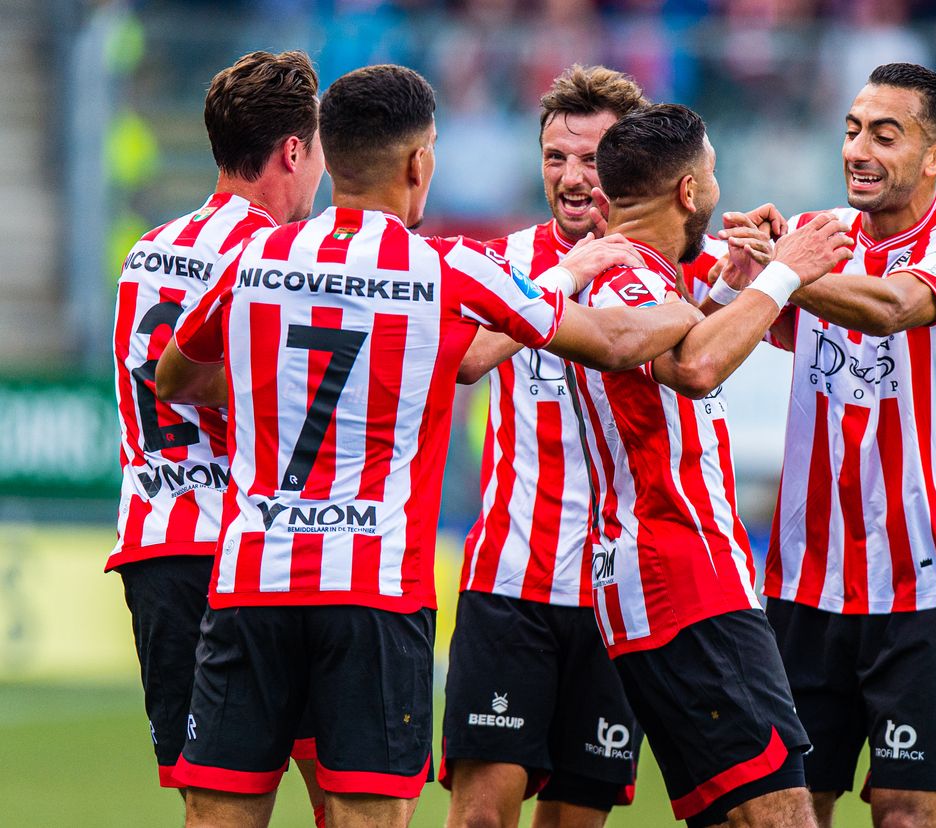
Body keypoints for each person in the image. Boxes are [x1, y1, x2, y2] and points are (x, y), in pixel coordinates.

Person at [155, 64, 702, 828]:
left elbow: (176, 376)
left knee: (218, 815)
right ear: (419, 164)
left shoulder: (256, 260)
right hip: (374, 586)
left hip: (252, 577)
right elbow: (612, 342)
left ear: (327, 153)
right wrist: (707, 296)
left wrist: (270, 387)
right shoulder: (445, 268)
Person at [720, 63, 936, 828]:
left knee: (907, 812)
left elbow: (893, 306)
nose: (858, 149)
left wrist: (782, 273)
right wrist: (736, 278)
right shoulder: (818, 239)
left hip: (925, 584)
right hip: (806, 582)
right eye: (851, 130)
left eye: (885, 133)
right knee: (787, 808)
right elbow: (745, 331)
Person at [574, 103, 853, 828]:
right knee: (783, 815)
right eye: (713, 172)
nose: (720, 190)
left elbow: (679, 354)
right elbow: (694, 367)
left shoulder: (631, 279)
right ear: (688, 194)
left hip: (660, 582)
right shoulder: (625, 277)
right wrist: (784, 275)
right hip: (685, 579)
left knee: (734, 816)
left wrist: (730, 287)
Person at [107, 49, 327, 823]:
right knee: (346, 793)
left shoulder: (144, 252)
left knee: (215, 808)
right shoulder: (278, 259)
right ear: (292, 151)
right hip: (252, 548)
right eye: (319, 149)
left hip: (157, 551)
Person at [441, 65, 651, 828]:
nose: (569, 176)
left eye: (590, 159)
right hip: (510, 581)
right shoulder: (502, 262)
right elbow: (466, 361)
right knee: (480, 819)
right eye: (556, 156)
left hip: (612, 594)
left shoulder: (665, 273)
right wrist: (561, 279)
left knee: (574, 822)